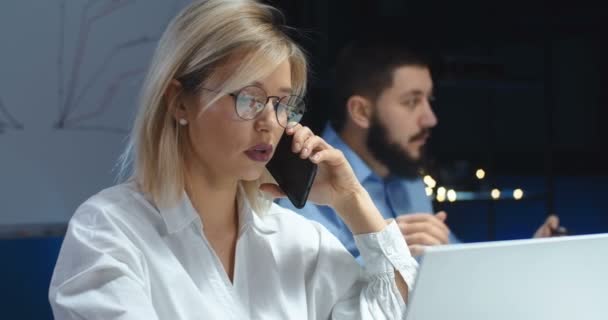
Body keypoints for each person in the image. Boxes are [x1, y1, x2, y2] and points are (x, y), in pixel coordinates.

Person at [48, 1, 418, 319]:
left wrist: (351, 200)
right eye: (248, 98)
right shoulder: (108, 233)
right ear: (179, 102)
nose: (270, 124)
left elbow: (406, 311)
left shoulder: (298, 240)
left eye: (282, 104)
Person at [280, 36, 561, 258]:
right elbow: (309, 296)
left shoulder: (408, 176)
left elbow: (450, 260)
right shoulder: (306, 181)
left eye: (429, 100)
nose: (431, 118)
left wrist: (528, 255)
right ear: (361, 112)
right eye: (412, 102)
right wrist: (386, 250)